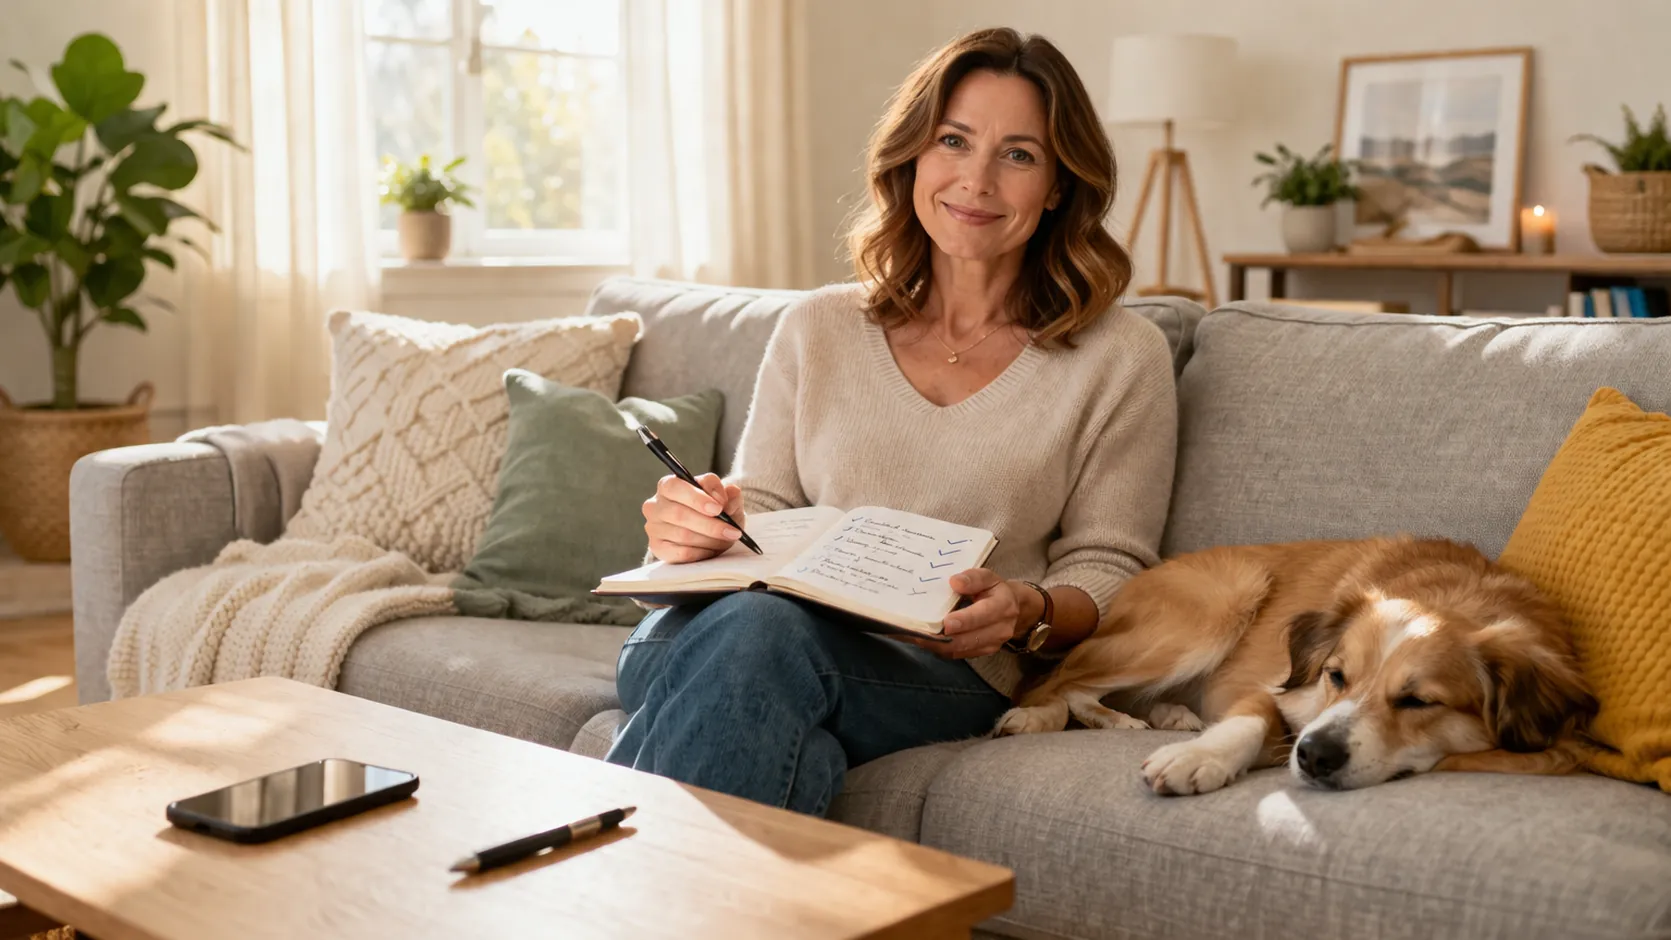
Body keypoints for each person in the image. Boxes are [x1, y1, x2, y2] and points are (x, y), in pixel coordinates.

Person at [603, 27, 1179, 817]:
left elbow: (1110, 565)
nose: (975, 180)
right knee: (765, 670)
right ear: (911, 156)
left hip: (938, 673)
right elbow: (761, 513)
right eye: (953, 141)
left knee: (766, 672)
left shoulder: (1119, 356)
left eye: (1017, 154)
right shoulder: (817, 327)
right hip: (722, 633)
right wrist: (691, 535)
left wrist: (1027, 608)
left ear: (1055, 186)